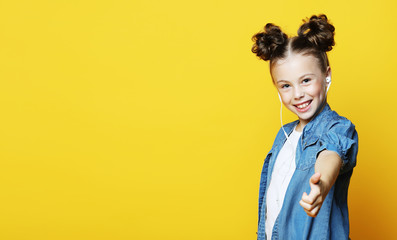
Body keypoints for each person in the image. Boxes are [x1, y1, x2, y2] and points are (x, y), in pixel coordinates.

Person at [251, 14, 358, 240]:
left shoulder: (338, 127)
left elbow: (331, 154)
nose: (298, 94)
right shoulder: (283, 136)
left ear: (326, 76)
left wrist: (322, 183)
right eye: (286, 85)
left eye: (306, 80)